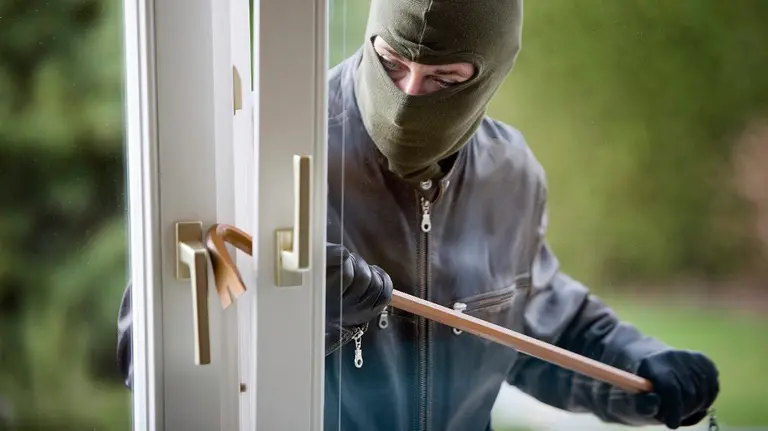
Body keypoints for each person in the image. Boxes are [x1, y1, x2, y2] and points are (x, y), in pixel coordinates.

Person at [117, 1, 720, 430]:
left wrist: (642, 368)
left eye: (443, 79)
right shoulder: (264, 146)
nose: (407, 98)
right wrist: (293, 316)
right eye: (391, 63)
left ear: (489, 75)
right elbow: (149, 351)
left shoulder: (512, 174)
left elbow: (535, 322)